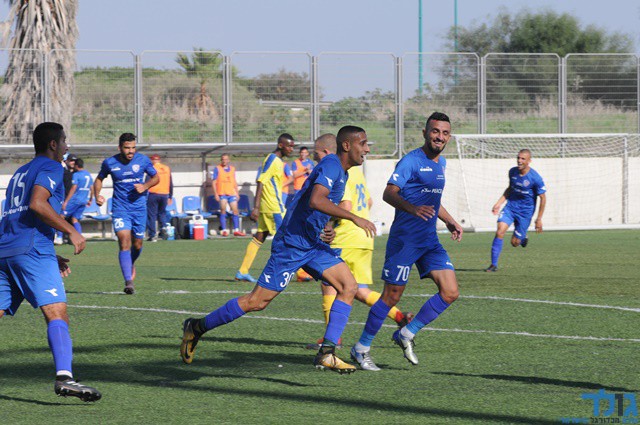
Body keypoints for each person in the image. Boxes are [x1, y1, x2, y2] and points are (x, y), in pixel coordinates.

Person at [181, 126, 377, 373]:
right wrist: (354, 217)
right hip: (292, 245)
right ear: (347, 145)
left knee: (348, 286)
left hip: (312, 243)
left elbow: (317, 206)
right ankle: (196, 327)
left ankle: (327, 353)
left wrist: (327, 227)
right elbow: (316, 199)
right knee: (256, 302)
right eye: (363, 143)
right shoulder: (331, 166)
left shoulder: (342, 172)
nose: (367, 149)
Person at [350, 112, 463, 371]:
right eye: (435, 131)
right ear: (425, 133)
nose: (440, 137)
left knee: (450, 292)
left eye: (445, 133)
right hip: (405, 241)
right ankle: (361, 349)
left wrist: (449, 220)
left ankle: (406, 333)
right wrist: (412, 209)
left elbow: (433, 200)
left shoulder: (442, 163)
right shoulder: (410, 161)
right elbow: (389, 193)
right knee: (391, 297)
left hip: (429, 240)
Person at [0, 122, 101, 402]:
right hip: (31, 251)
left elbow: (13, 214)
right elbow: (37, 204)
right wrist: (71, 231)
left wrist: (50, 254)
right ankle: (65, 378)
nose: (67, 146)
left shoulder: (20, 172)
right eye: (64, 140)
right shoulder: (52, 167)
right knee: (56, 312)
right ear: (53, 144)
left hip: (6, 250)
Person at [309, 136, 413, 354]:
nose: (314, 158)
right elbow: (368, 201)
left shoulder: (338, 170)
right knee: (359, 290)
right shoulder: (356, 171)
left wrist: (329, 222)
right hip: (363, 238)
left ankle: (332, 338)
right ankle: (398, 315)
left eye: (316, 154)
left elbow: (346, 204)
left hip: (345, 237)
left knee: (329, 284)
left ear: (326, 152)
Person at [94, 133, 159, 294]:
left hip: (139, 209)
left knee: (137, 244)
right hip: (120, 208)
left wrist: (145, 186)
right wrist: (97, 195)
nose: (131, 151)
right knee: (124, 241)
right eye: (127, 148)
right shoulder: (110, 162)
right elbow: (99, 179)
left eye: (133, 147)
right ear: (120, 147)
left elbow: (156, 178)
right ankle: (129, 282)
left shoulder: (143, 160)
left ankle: (130, 262)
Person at [235, 133, 295, 283]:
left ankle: (242, 271)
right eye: (289, 146)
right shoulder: (272, 159)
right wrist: (255, 207)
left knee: (260, 237)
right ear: (280, 145)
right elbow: (261, 181)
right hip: (273, 207)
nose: (291, 149)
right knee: (288, 237)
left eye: (293, 146)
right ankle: (299, 272)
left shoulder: (278, 161)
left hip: (268, 206)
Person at [485, 149, 547, 272]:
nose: (519, 161)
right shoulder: (512, 172)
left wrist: (539, 219)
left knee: (515, 243)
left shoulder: (535, 178)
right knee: (500, 231)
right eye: (518, 158)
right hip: (511, 207)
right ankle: (493, 264)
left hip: (525, 213)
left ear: (529, 161)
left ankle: (523, 238)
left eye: (523, 159)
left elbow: (543, 198)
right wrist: (498, 203)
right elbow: (510, 189)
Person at [211, 153, 246, 237]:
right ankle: (224, 230)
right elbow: (214, 182)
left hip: (231, 193)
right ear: (221, 160)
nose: (224, 161)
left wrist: (237, 193)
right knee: (223, 210)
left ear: (228, 160)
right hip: (222, 193)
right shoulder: (217, 169)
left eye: (226, 159)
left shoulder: (232, 169)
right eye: (223, 159)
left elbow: (234, 181)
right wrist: (216, 194)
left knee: (235, 210)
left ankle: (236, 230)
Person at [61, 158, 94, 236]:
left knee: (61, 216)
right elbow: (92, 188)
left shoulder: (76, 174)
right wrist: (90, 199)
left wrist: (66, 201)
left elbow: (73, 188)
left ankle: (59, 237)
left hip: (75, 200)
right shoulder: (88, 174)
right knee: (74, 219)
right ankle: (79, 236)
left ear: (76, 166)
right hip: (84, 201)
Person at [146, 153, 173, 242]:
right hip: (164, 194)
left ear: (152, 160)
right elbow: (170, 183)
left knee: (152, 215)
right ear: (159, 160)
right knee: (162, 213)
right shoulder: (167, 168)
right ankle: (163, 228)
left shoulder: (151, 168)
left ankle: (152, 235)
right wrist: (170, 196)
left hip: (153, 194)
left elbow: (147, 182)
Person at [55, 153, 77, 245]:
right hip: (64, 200)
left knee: (73, 219)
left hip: (74, 201)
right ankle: (60, 237)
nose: (73, 163)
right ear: (66, 161)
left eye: (74, 161)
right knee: (61, 218)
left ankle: (73, 238)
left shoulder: (77, 173)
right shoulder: (63, 172)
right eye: (71, 161)